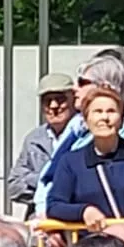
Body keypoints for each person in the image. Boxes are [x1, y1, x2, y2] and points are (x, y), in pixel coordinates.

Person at [44, 87, 124, 228]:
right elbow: (54, 205)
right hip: (92, 246)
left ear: (121, 120)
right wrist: (84, 211)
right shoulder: (71, 162)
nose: (104, 117)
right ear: (85, 121)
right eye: (97, 112)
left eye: (111, 111)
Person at [8, 74, 77, 208]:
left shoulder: (84, 136)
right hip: (38, 221)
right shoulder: (33, 139)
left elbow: (83, 187)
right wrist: (56, 187)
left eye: (60, 99)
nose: (54, 106)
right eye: (47, 101)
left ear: (73, 100)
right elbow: (14, 186)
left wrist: (32, 180)